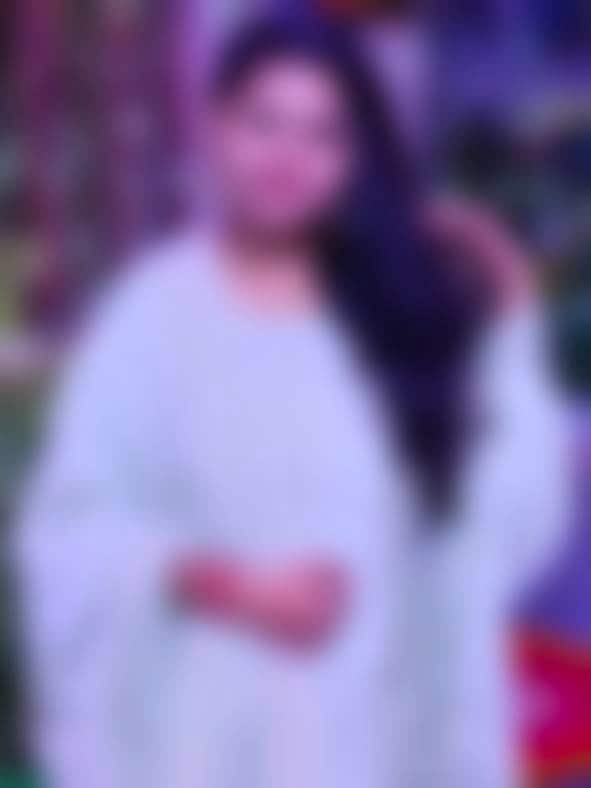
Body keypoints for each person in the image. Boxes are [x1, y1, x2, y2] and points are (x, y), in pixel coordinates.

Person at [16, 16, 568, 788]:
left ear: (356, 157)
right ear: (216, 126)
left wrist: (512, 315)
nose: (287, 156)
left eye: (322, 134)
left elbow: (498, 525)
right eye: (264, 122)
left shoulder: (400, 321)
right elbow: (71, 533)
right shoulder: (152, 319)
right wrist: (229, 586)